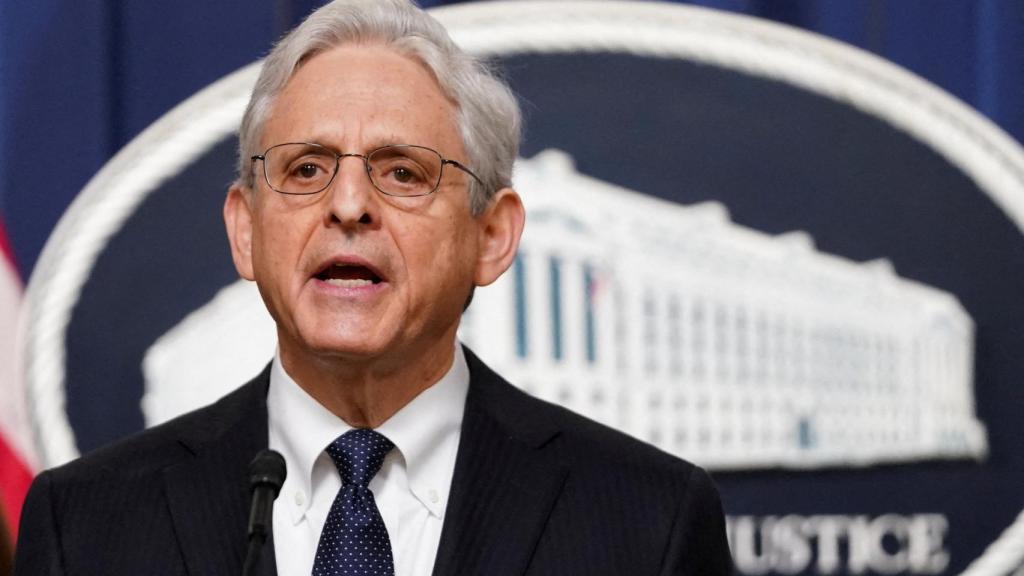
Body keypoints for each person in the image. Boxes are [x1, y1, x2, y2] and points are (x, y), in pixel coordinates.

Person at [14, 1, 733, 574]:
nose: (348, 205)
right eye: (304, 169)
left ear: (492, 236)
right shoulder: (85, 525)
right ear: (244, 231)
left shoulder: (649, 521)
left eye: (402, 172)